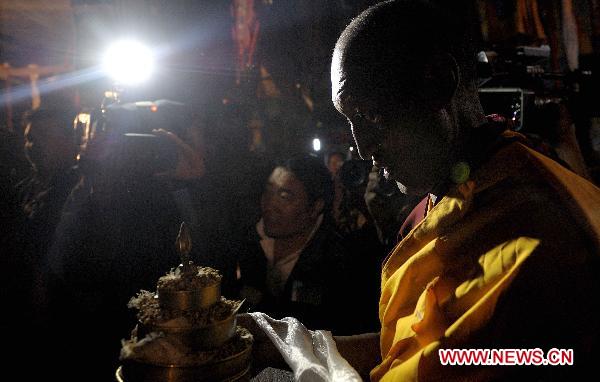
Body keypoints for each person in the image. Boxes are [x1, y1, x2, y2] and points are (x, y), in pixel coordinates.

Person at [244, 1, 600, 380]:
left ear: (438, 84)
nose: (362, 147)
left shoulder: (540, 230)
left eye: (367, 114)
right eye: (348, 121)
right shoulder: (454, 189)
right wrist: (281, 344)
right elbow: (413, 347)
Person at [237, 155, 376, 334]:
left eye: (285, 196)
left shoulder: (340, 261)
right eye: (268, 191)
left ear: (316, 206)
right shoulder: (245, 243)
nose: (270, 204)